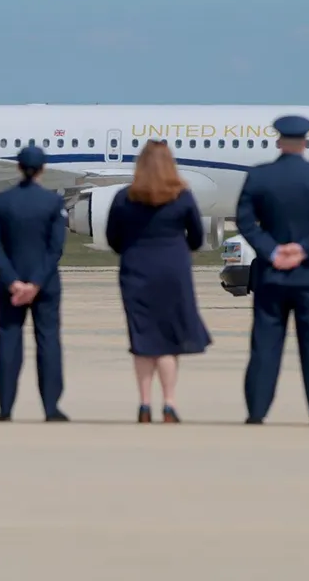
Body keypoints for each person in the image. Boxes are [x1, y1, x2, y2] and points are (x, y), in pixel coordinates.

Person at [236, 115, 309, 425]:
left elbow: (245, 220)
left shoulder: (259, 177)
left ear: (278, 141)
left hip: (271, 274)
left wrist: (271, 249)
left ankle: (256, 411)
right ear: (306, 142)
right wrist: (303, 248)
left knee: (265, 346)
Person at [105, 140, 211, 423]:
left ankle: (143, 403)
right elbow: (198, 238)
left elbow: (113, 238)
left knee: (143, 338)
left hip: (136, 270)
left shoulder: (124, 198)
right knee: (168, 339)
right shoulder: (183, 196)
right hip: (172, 272)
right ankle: (169, 402)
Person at [0, 145, 68, 422]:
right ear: (43, 169)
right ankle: (50, 408)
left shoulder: (1, 202)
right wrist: (35, 283)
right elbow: (55, 249)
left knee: (9, 343)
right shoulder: (53, 203)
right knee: (48, 343)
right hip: (44, 285)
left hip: (10, 285)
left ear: (18, 167)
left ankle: (5, 408)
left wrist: (13, 281)